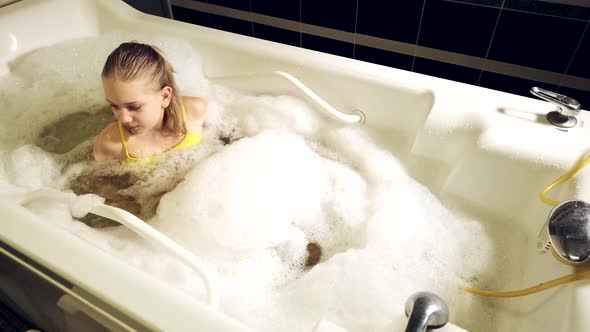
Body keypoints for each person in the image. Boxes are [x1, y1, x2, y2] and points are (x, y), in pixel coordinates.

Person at [94, 41, 208, 162]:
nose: (123, 119)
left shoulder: (195, 110)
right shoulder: (111, 145)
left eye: (134, 107)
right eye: (114, 105)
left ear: (165, 97)